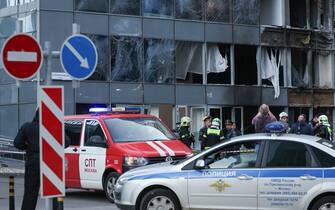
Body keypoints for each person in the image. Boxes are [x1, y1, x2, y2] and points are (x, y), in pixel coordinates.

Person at [14, 110, 40, 210]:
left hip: (32, 162)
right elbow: (66, 141)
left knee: (30, 193)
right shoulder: (53, 127)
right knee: (54, 192)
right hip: (50, 162)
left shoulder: (27, 127)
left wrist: (27, 147)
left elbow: (17, 143)